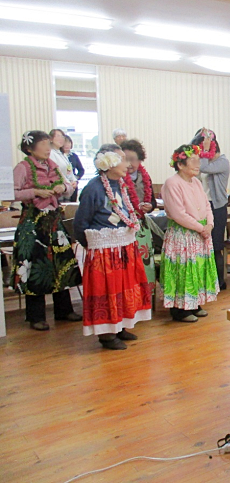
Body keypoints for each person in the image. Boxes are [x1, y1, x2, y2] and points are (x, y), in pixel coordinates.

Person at [74, 144, 151, 350]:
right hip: (105, 252)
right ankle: (107, 335)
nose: (128, 164)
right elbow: (80, 224)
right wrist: (97, 247)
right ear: (108, 163)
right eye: (123, 159)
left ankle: (121, 325)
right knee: (108, 290)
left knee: (124, 288)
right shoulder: (93, 188)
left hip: (124, 247)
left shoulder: (122, 185)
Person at [12, 130, 82, 331]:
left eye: (47, 144)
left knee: (61, 263)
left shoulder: (53, 166)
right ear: (29, 148)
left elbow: (69, 186)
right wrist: (35, 191)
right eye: (42, 144)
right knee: (36, 266)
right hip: (33, 223)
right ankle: (36, 316)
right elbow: (12, 193)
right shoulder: (23, 168)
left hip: (54, 221)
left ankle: (64, 310)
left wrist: (63, 188)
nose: (47, 148)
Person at [160, 144, 218, 322]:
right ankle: (180, 310)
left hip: (200, 234)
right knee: (183, 269)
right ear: (180, 165)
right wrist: (201, 228)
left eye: (198, 160)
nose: (198, 163)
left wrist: (209, 224)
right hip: (183, 235)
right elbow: (178, 214)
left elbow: (207, 205)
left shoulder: (197, 182)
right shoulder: (172, 183)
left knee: (197, 269)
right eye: (193, 160)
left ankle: (195, 303)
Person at [191, 128, 230, 291]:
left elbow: (204, 168)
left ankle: (219, 282)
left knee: (215, 246)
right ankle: (203, 280)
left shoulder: (222, 162)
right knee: (200, 244)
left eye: (201, 150)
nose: (199, 154)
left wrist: (206, 150)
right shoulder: (203, 160)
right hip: (200, 206)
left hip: (216, 207)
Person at [121, 139, 158, 294]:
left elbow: (153, 202)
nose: (129, 164)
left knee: (144, 262)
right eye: (125, 160)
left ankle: (145, 295)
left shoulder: (145, 177)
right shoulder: (119, 177)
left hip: (142, 226)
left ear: (140, 159)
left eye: (133, 160)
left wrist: (150, 207)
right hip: (125, 227)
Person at [48, 129, 78, 200]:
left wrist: (74, 181)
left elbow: (69, 170)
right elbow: (56, 172)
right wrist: (68, 183)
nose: (61, 139)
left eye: (62, 136)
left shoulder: (63, 154)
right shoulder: (51, 153)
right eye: (58, 136)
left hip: (68, 188)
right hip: (60, 189)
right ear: (51, 139)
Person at [62, 135, 84, 202]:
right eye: (65, 143)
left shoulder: (74, 156)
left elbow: (81, 170)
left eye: (69, 143)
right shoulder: (59, 156)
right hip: (63, 183)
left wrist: (76, 179)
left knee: (72, 204)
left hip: (73, 184)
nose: (67, 145)